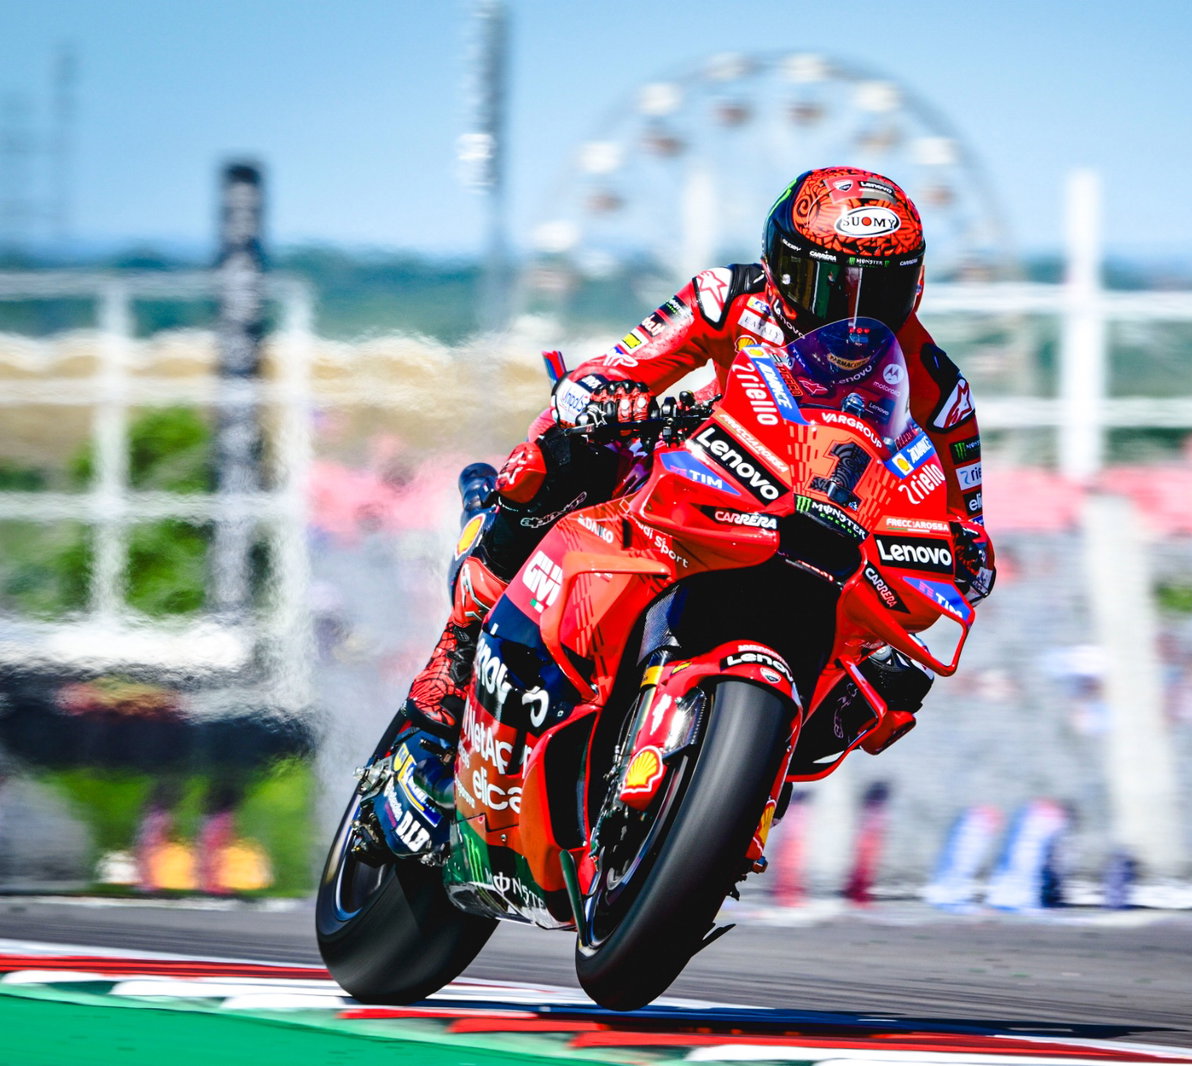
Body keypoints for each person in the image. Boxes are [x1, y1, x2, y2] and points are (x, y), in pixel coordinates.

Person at [370, 167, 995, 859]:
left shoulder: (940, 387)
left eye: (877, 291)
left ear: (914, 285)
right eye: (829, 284)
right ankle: (456, 658)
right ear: (781, 266)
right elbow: (619, 367)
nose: (851, 315)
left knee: (898, 677)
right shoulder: (729, 296)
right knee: (559, 454)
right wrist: (603, 401)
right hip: (704, 474)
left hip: (825, 535)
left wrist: (962, 560)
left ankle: (740, 785)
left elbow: (967, 527)